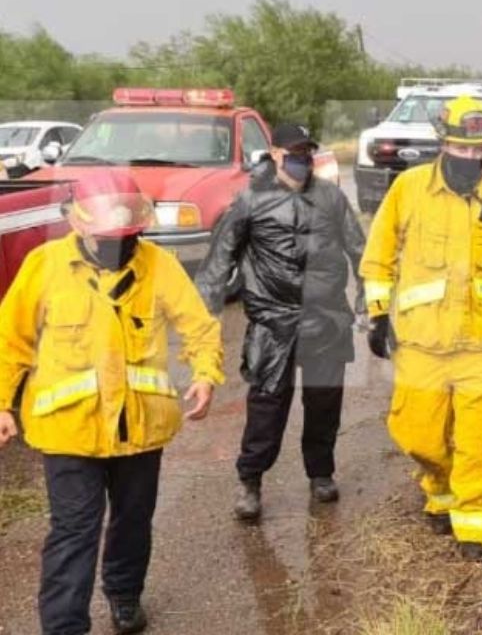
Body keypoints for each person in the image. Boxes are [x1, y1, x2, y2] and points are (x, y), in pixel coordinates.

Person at [0, 170, 223, 635]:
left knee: (132, 521)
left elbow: (198, 325)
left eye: (128, 236)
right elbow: (10, 340)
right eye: (108, 237)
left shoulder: (158, 265)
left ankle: (124, 595)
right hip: (69, 431)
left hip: (141, 429)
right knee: (74, 530)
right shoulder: (45, 265)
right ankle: (64, 627)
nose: (119, 246)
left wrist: (205, 374)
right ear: (77, 224)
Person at [360, 95, 482, 560]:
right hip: (422, 342)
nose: (469, 157)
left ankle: (473, 524)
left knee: (480, 439)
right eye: (460, 149)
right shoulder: (408, 189)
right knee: (418, 434)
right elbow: (379, 255)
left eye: (478, 149)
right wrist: (379, 315)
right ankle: (439, 488)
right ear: (443, 142)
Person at [196, 123, 366, 521]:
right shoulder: (251, 200)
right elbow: (221, 257)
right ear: (274, 154)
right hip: (273, 322)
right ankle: (250, 480)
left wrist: (370, 305)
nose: (301, 159)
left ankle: (321, 473)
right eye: (293, 152)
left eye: (307, 152)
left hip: (325, 318)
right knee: (267, 407)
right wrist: (206, 318)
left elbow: (361, 251)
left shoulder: (331, 198)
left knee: (324, 403)